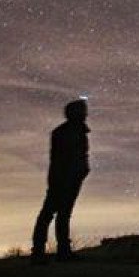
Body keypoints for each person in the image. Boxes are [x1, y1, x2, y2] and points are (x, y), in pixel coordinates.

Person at [31, 99, 90, 263]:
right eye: (82, 110)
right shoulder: (63, 132)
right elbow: (61, 159)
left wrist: (83, 171)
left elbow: (81, 156)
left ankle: (62, 252)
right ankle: (39, 252)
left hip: (72, 179)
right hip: (61, 179)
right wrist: (64, 178)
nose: (85, 113)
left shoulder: (79, 131)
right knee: (49, 214)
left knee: (62, 214)